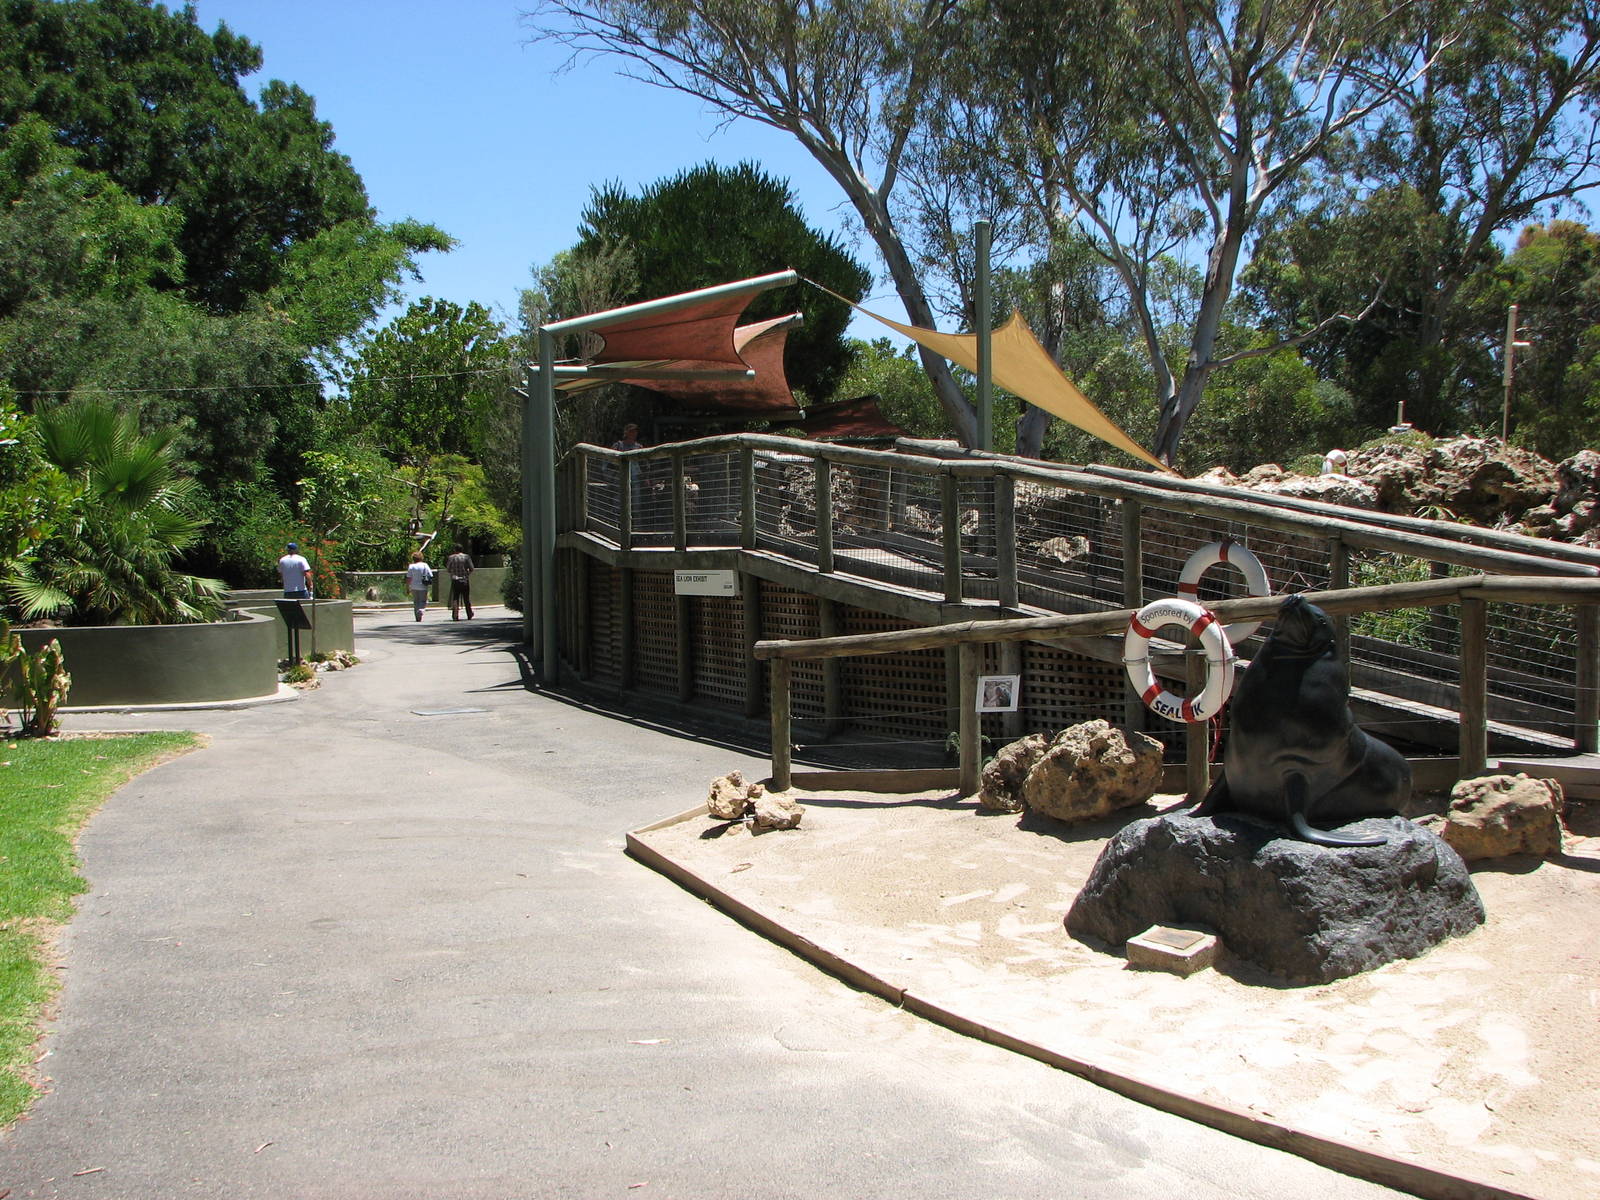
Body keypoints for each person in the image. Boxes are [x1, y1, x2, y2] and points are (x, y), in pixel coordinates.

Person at [446, 544, 475, 620]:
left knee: (455, 597)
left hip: (455, 580)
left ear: (455, 550)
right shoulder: (466, 557)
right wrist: (467, 573)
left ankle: (455, 615)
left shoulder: (451, 558)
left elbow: (448, 569)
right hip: (464, 579)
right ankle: (469, 614)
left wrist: (453, 572)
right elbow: (472, 568)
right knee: (466, 598)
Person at [405, 550, 434, 622]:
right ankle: (421, 610)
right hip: (423, 586)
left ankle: (417, 618)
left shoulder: (411, 566)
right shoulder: (425, 565)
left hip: (414, 586)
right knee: (423, 601)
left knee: (416, 601)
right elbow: (430, 575)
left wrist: (408, 587)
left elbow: (408, 578)